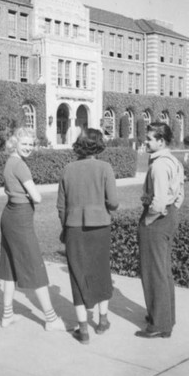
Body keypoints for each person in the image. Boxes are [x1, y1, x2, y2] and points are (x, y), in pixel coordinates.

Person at [0, 127, 66, 332]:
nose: (28, 147)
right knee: (35, 266)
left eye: (30, 144)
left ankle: (7, 315)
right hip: (20, 219)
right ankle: (51, 319)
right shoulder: (21, 166)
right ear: (15, 143)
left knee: (9, 267)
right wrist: (32, 197)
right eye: (24, 144)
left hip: (9, 216)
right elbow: (36, 196)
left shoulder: (10, 162)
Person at [57, 128, 119, 345]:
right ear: (99, 144)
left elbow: (61, 207)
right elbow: (114, 202)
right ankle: (102, 322)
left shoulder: (68, 169)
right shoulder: (105, 168)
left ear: (79, 145)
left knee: (77, 274)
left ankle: (83, 329)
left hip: (74, 227)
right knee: (101, 271)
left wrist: (65, 228)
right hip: (100, 226)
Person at [135, 122, 184, 339]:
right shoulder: (173, 160)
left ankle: (158, 325)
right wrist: (172, 209)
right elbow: (180, 193)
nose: (145, 141)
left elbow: (159, 201)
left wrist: (148, 220)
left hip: (157, 220)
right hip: (170, 216)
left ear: (161, 141)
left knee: (153, 271)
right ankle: (165, 317)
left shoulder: (158, 166)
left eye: (149, 139)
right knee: (163, 269)